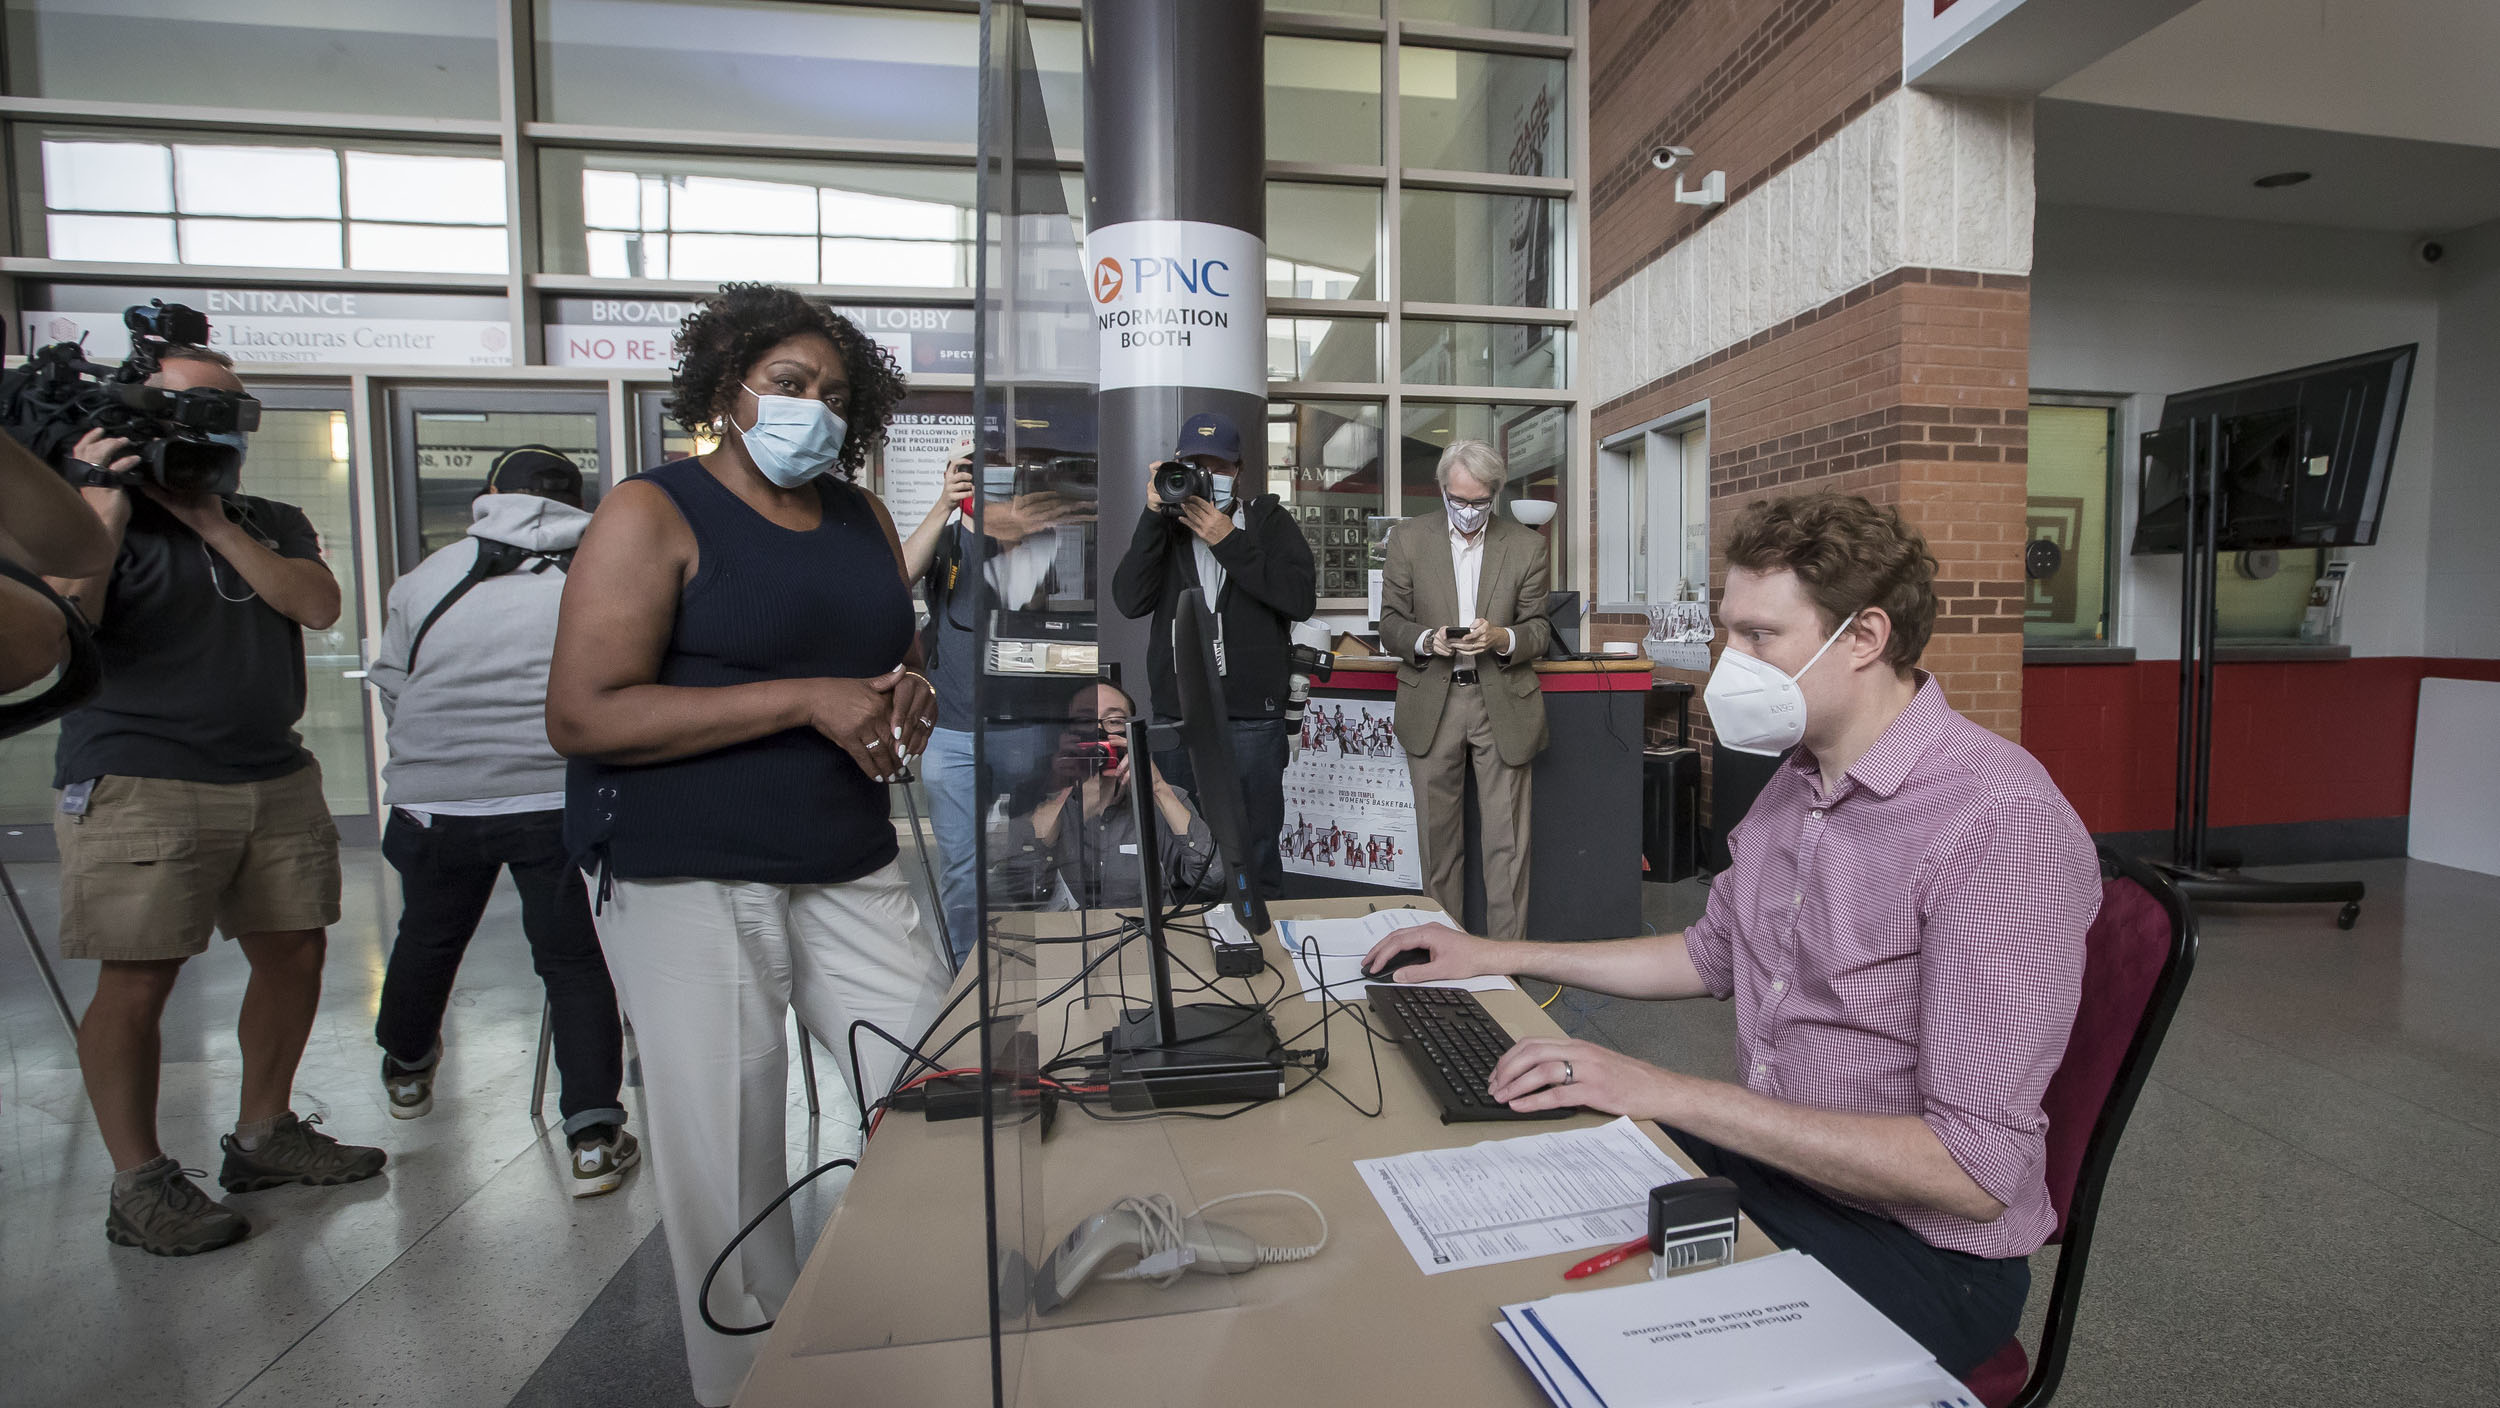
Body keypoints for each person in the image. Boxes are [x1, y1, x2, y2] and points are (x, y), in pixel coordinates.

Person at [1365, 492, 2101, 1378]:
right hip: (1777, 1171)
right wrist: (1497, 956)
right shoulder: (1799, 778)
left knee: (1589, 1352)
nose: (1728, 665)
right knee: (1512, 1209)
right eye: (1728, 633)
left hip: (1919, 1253)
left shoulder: (1998, 823)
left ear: (1864, 638)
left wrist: (1661, 1087)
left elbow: (1973, 1172)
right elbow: (1709, 951)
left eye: (1759, 638)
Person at [544, 282, 950, 1408]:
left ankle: (927, 1327)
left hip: (843, 852)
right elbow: (582, 713)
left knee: (937, 1082)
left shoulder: (861, 515)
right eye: (787, 384)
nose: (811, 409)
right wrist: (801, 699)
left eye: (832, 393)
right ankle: (753, 1385)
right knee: (730, 1153)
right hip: (687, 864)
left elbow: (882, 645)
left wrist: (901, 689)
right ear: (726, 389)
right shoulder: (653, 510)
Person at [43, 345, 385, 1258]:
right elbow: (65, 615)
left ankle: (265, 1133)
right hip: (139, 775)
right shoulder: (79, 515)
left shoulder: (267, 517)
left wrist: (212, 519)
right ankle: (138, 1180)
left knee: (296, 953)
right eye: (192, 409)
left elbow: (317, 607)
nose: (215, 427)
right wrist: (106, 500)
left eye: (230, 409)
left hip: (270, 770)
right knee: (140, 975)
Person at [363, 445, 636, 1196]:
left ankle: (408, 1066)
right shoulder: (601, 573)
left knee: (426, 935)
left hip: (435, 801)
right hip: (552, 797)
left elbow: (394, 682)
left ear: (489, 495)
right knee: (574, 963)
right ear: (581, 500)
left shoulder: (428, 577)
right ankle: (591, 1135)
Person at [897, 446, 1093, 964]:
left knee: (1032, 850)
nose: (991, 487)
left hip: (1025, 726)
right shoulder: (944, 536)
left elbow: (1053, 606)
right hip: (951, 727)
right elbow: (893, 582)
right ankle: (967, 966)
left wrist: (1017, 529)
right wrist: (944, 507)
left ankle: (1041, 956)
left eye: (1001, 477)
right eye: (973, 476)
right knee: (962, 865)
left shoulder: (1048, 535)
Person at [1111, 411, 1314, 899]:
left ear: (1238, 469)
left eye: (1218, 466)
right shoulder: (1166, 529)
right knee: (1186, 843)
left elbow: (1299, 598)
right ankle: (1193, 945)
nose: (1208, 476)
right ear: (1179, 467)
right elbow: (1129, 600)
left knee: (1257, 843)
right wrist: (1151, 517)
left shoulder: (1269, 523)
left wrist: (1230, 541)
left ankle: (1262, 943)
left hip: (1253, 716)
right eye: (1195, 465)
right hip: (1181, 714)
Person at [1376, 440, 1553, 940]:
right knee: (1437, 845)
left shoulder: (1526, 546)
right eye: (1458, 500)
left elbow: (1539, 629)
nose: (1468, 512)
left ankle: (1506, 969)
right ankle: (1445, 958)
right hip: (1434, 697)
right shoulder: (1408, 539)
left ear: (1495, 494)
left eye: (1479, 502)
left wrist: (1504, 638)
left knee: (1508, 846)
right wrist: (1426, 639)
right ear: (1442, 490)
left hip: (1502, 699)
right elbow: (1390, 623)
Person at [993, 680, 1216, 911]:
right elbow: (1021, 891)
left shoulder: (1166, 798)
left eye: (1114, 721)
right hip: (1067, 936)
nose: (1099, 734)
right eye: (1085, 721)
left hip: (1145, 935)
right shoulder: (1036, 801)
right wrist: (1060, 791)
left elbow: (1214, 880)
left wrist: (1159, 788)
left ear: (1133, 733)